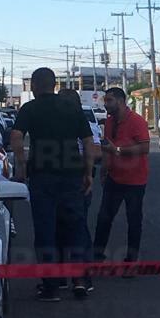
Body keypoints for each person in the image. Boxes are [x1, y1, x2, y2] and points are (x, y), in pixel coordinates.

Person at [10, 68, 94, 302]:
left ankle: (51, 286)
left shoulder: (30, 108)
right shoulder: (71, 108)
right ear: (54, 85)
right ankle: (79, 281)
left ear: (36, 85)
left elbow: (16, 136)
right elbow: (87, 142)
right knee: (76, 227)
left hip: (42, 176)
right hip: (72, 176)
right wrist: (88, 173)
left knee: (46, 230)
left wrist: (22, 165)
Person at [94, 87, 150, 270]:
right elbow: (107, 147)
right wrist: (104, 169)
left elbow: (144, 148)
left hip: (135, 180)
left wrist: (118, 150)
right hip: (114, 178)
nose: (106, 104)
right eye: (105, 100)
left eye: (109, 100)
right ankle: (96, 257)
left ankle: (131, 262)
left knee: (134, 221)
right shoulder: (110, 122)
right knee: (104, 219)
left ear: (120, 101)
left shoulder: (137, 121)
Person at [56, 89, 101, 291]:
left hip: (79, 180)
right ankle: (62, 276)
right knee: (62, 229)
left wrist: (85, 169)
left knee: (77, 228)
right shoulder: (54, 124)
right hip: (65, 180)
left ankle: (81, 276)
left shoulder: (89, 124)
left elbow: (96, 150)